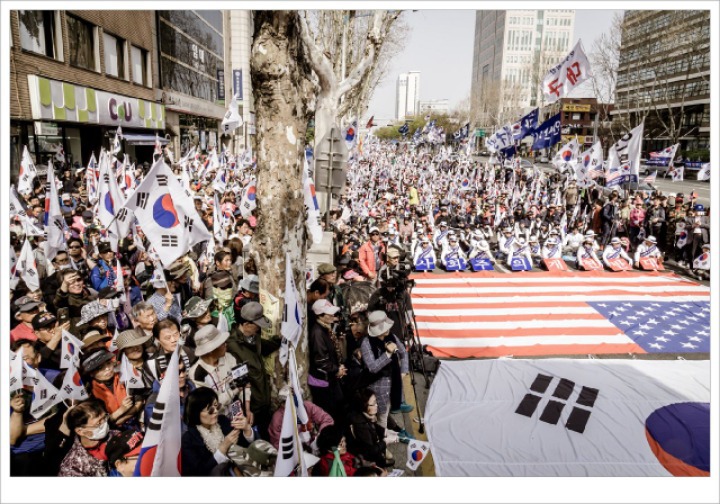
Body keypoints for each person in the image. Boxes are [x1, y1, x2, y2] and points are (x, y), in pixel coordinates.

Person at [225, 302, 279, 439]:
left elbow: (267, 347)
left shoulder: (254, 338)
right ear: (246, 324)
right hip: (251, 407)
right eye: (257, 325)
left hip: (264, 402)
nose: (259, 328)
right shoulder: (232, 346)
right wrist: (247, 409)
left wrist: (281, 338)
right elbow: (237, 382)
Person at [181, 387, 258, 476]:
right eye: (210, 410)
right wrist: (223, 448)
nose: (216, 411)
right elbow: (198, 472)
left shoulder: (223, 421)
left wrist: (247, 429)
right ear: (196, 413)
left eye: (216, 406)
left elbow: (246, 446)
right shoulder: (188, 440)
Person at [360, 311, 410, 429]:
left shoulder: (392, 337)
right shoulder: (366, 344)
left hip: (393, 385)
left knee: (384, 415)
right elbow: (372, 367)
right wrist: (387, 354)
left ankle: (383, 434)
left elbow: (403, 352)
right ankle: (380, 437)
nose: (387, 329)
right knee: (379, 417)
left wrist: (403, 370)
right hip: (377, 389)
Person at [81, 349, 144, 429]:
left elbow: (139, 401)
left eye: (108, 363)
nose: (107, 369)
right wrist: (121, 410)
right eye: (100, 368)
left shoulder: (126, 377)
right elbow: (100, 423)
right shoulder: (90, 394)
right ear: (91, 374)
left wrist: (125, 417)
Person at [307, 299, 347, 425]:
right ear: (320, 315)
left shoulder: (326, 329)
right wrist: (336, 370)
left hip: (330, 378)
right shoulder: (317, 333)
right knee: (329, 413)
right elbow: (321, 361)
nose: (332, 316)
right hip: (323, 382)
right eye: (329, 314)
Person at [58, 399, 120, 476]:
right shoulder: (73, 467)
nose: (104, 423)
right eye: (98, 423)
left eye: (105, 418)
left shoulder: (116, 435)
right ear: (80, 431)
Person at [188, 324, 240, 416]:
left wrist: (247, 407)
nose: (226, 344)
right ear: (211, 350)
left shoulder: (228, 357)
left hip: (237, 412)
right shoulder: (196, 374)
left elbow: (243, 381)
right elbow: (213, 405)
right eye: (222, 343)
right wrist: (235, 390)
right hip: (217, 418)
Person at [267, 385, 334, 451]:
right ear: (283, 404)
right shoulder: (277, 419)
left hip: (314, 444)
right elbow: (278, 444)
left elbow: (327, 419)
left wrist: (319, 439)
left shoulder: (308, 406)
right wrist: (297, 444)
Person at [345, 389, 396, 468]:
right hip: (366, 458)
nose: (377, 405)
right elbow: (371, 451)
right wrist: (386, 441)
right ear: (364, 406)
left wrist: (385, 431)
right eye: (373, 403)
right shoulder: (361, 427)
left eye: (376, 402)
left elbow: (373, 427)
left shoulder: (364, 416)